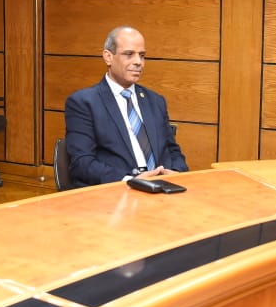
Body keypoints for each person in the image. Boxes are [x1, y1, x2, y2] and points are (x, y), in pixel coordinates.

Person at [64, 26, 188, 187]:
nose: (138, 62)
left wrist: (177, 173)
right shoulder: (84, 102)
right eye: (129, 54)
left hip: (162, 188)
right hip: (118, 191)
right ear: (108, 57)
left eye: (142, 56)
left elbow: (172, 150)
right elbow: (82, 163)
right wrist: (130, 181)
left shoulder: (156, 101)